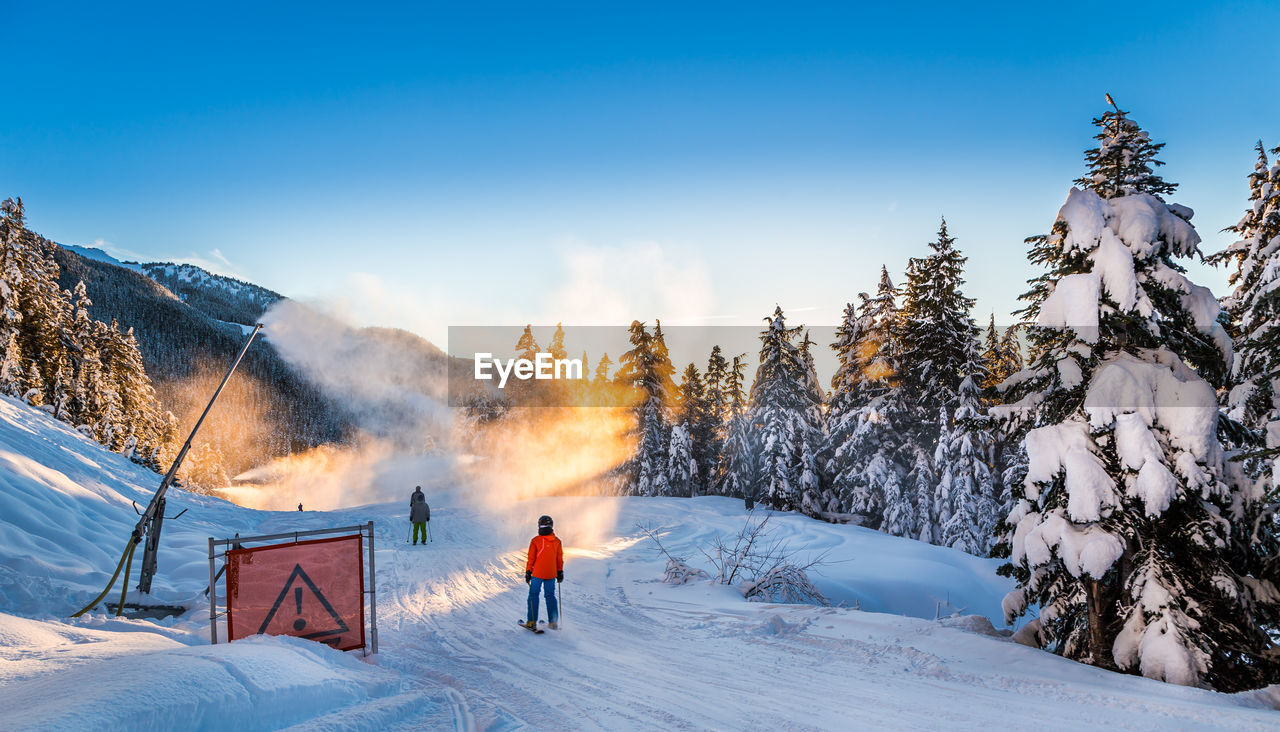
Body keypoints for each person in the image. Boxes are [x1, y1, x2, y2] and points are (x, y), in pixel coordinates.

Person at [523, 515, 564, 630]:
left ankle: (531, 622)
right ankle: (553, 622)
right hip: (551, 574)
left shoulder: (535, 541)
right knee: (550, 596)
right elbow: (559, 559)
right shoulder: (557, 541)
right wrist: (560, 572)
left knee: (533, 595)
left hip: (537, 573)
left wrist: (528, 571)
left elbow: (531, 558)